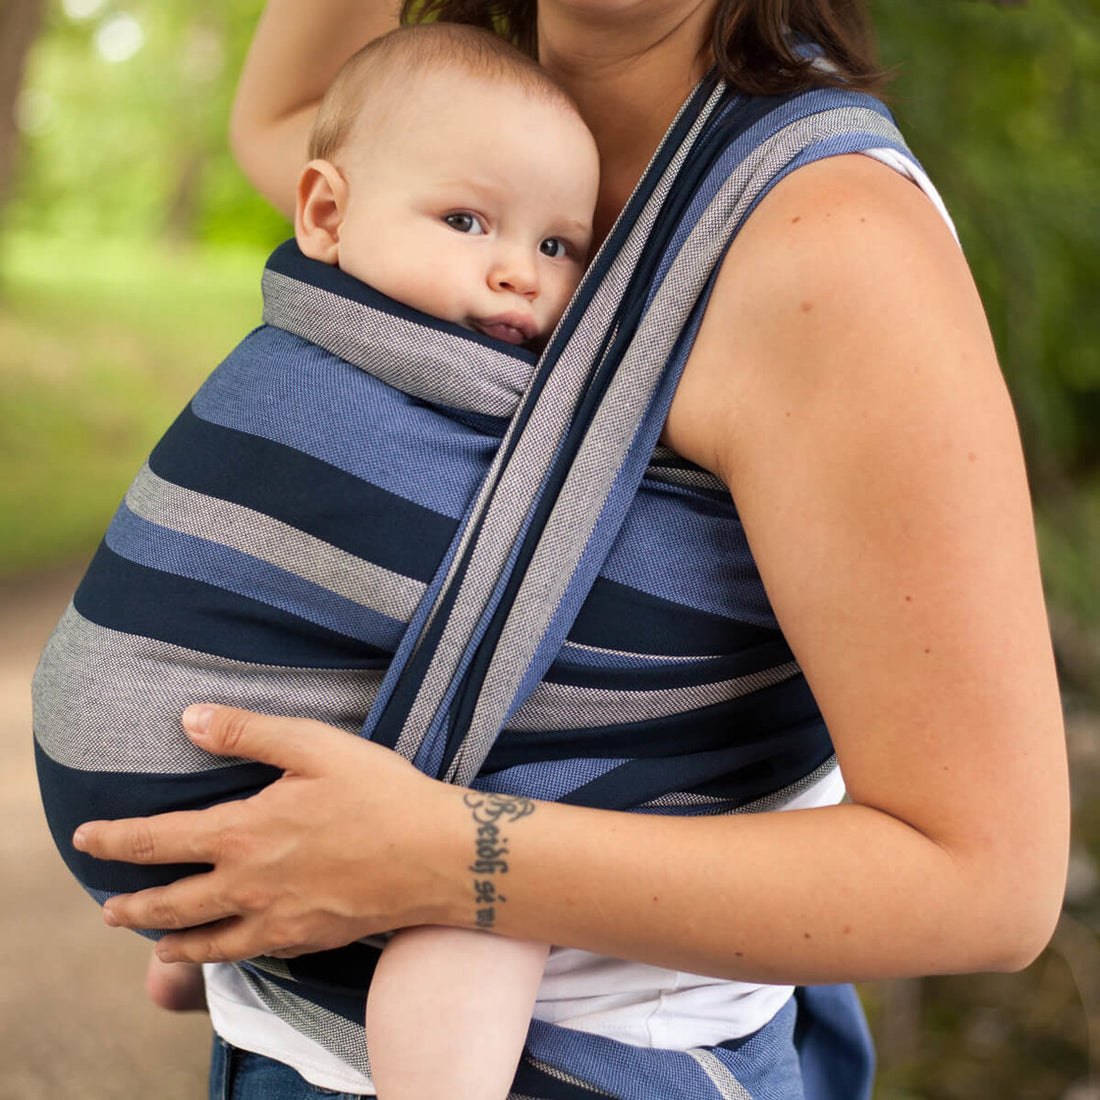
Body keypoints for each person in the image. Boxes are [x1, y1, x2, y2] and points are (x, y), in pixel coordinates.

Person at [65, 0, 1070, 1096]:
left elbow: (988, 881)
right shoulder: (449, 149)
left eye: (557, 249)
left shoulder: (828, 243)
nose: (522, 269)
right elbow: (285, 116)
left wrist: (444, 858)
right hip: (292, 1040)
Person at [33, 23, 598, 1100]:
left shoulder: (298, 337)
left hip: (145, 777)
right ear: (326, 214)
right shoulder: (418, 362)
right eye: (468, 220)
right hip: (204, 781)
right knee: (492, 876)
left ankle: (205, 949)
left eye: (558, 246)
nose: (514, 274)